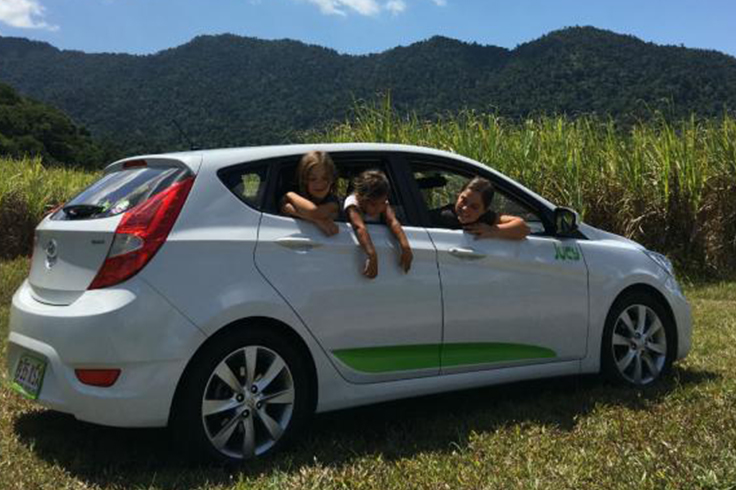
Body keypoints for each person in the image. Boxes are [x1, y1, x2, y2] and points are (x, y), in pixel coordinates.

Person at [344, 170, 413, 279]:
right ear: (361, 198)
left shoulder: (382, 204)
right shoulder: (353, 203)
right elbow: (359, 227)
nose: (379, 208)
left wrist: (405, 247)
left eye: (383, 203)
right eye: (373, 204)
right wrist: (372, 255)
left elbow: (392, 221)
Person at [429, 177, 530, 240]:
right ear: (457, 196)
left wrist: (492, 231)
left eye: (474, 207)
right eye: (463, 200)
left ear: (484, 210)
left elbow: (523, 228)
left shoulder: (485, 219)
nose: (465, 208)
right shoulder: (440, 216)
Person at [281, 151, 340, 236]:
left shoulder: (334, 202)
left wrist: (290, 195)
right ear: (304, 180)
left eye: (325, 178)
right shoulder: (301, 196)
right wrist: (318, 220)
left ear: (332, 179)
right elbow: (285, 208)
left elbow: (314, 212)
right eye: (312, 179)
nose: (319, 184)